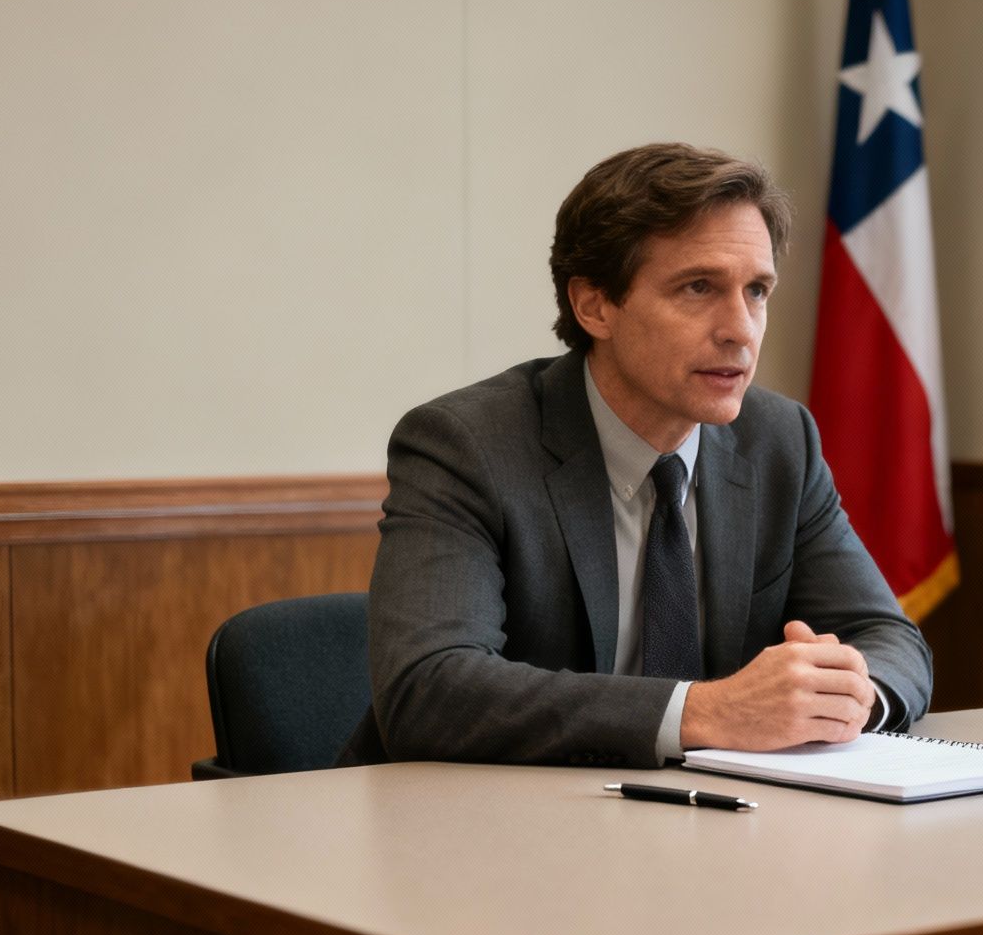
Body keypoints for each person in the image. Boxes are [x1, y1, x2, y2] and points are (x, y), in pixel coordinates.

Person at [336, 143, 932, 770]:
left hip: (708, 825)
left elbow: (891, 641)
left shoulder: (780, 440)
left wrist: (845, 697)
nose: (741, 328)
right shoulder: (468, 444)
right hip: (476, 832)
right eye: (699, 287)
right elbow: (428, 691)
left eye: (756, 290)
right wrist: (707, 712)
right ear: (595, 305)